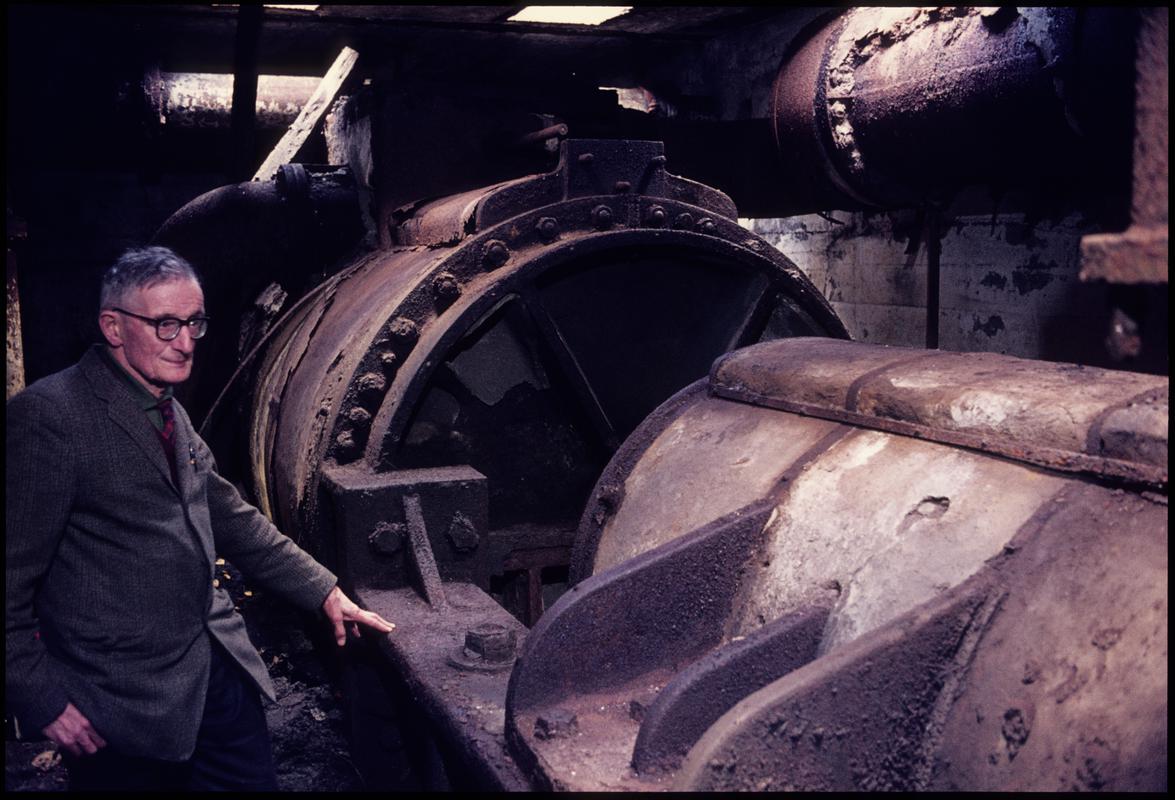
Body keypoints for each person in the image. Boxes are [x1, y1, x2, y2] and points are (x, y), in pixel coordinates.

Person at [5, 245, 396, 791]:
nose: (185, 342)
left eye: (193, 322)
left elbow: (227, 514)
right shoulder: (49, 419)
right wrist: (43, 702)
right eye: (165, 324)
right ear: (113, 327)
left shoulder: (166, 407)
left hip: (215, 670)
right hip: (121, 704)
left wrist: (323, 591)